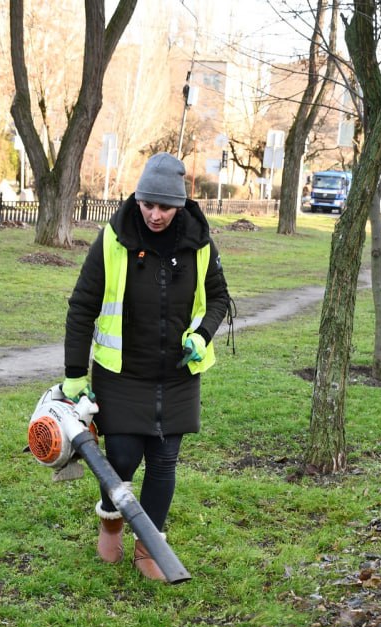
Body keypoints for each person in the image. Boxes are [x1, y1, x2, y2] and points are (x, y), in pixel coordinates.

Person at [62, 153, 232, 582]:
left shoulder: (198, 241)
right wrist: (74, 373)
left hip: (177, 373)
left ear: (181, 205)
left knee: (163, 460)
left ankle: (149, 545)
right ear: (137, 198)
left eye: (165, 207)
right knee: (120, 457)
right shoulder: (113, 239)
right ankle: (110, 521)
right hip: (122, 372)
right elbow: (82, 306)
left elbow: (218, 298)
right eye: (147, 204)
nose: (155, 215)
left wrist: (202, 335)